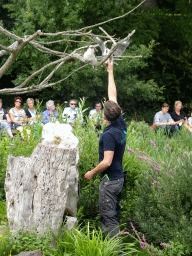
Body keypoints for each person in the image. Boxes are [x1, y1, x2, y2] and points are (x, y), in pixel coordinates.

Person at [84, 60, 127, 239]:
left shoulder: (109, 135)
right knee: (113, 214)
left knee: (109, 218)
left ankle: (114, 250)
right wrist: (110, 71)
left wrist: (91, 172)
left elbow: (107, 161)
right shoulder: (120, 122)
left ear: (105, 117)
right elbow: (112, 95)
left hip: (110, 181)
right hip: (118, 178)